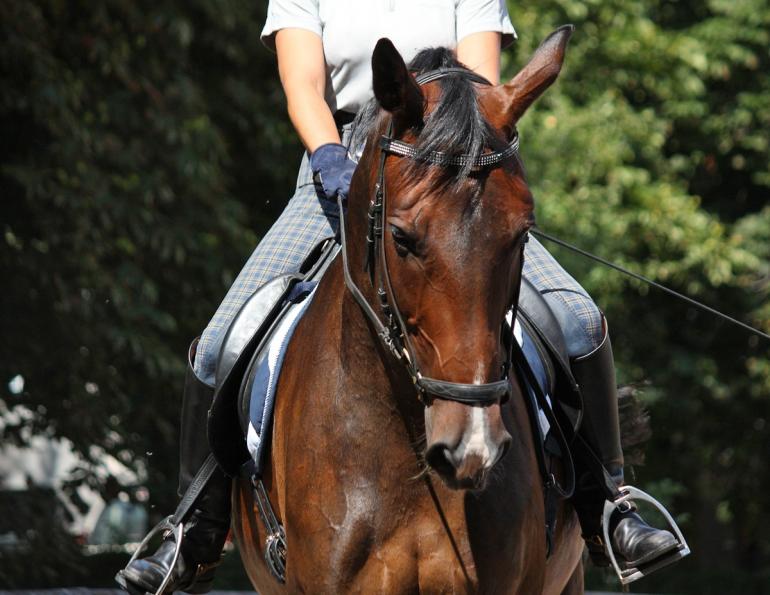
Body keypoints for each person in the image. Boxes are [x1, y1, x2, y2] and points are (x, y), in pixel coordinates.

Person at [116, 1, 681, 592]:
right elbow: (305, 85)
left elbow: (478, 86)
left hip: (452, 179)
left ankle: (607, 509)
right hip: (338, 170)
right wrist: (330, 157)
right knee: (218, 344)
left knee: (580, 321)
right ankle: (195, 531)